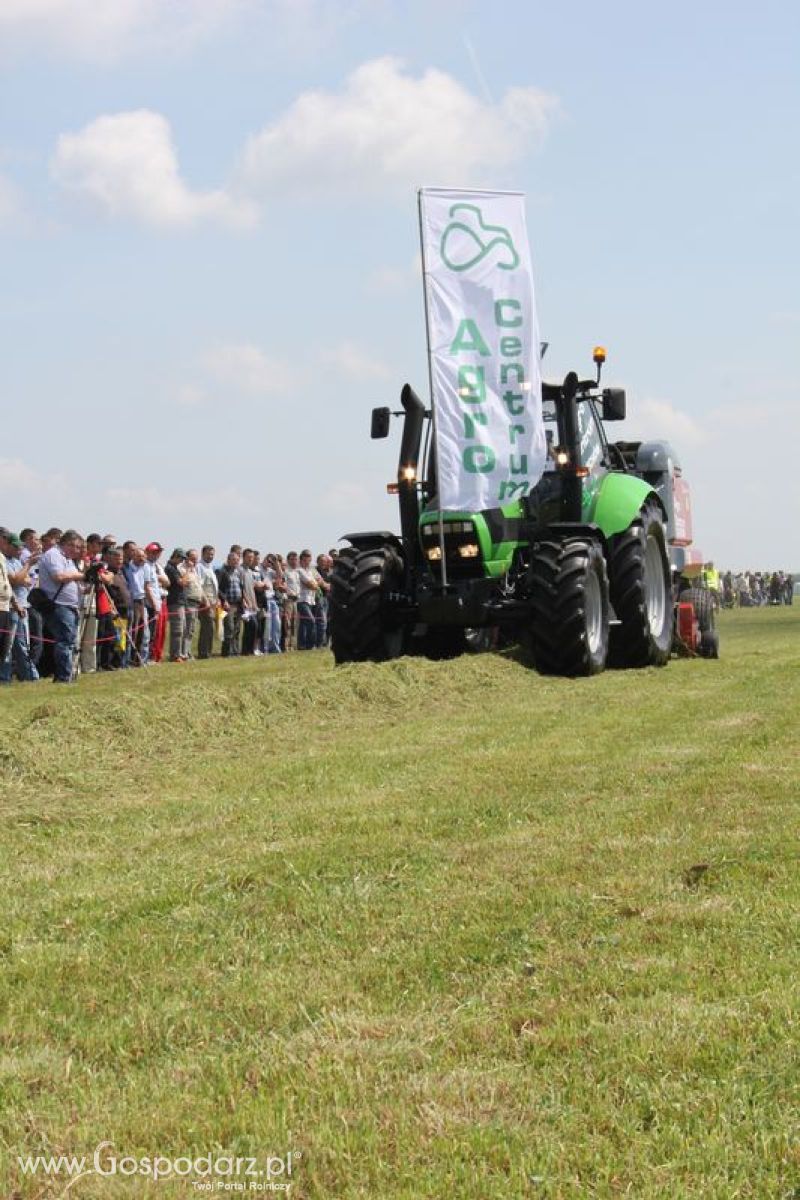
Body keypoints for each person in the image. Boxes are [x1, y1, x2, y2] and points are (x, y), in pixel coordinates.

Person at [37, 529, 87, 683]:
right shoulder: (54, 555)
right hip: (59, 605)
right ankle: (64, 677)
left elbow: (75, 582)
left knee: (70, 641)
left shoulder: (68, 559)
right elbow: (58, 576)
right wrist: (82, 575)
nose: (77, 550)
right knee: (65, 640)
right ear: (66, 543)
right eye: (75, 546)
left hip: (71, 606)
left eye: (79, 548)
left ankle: (66, 674)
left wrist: (87, 582)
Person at [0, 530, 39, 682]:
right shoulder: (6, 560)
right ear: (7, 544)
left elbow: (27, 580)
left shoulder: (16, 561)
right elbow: (15, 580)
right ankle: (4, 677)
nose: (19, 550)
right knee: (7, 646)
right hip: (8, 608)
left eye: (20, 547)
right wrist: (28, 564)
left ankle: (29, 676)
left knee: (22, 645)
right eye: (15, 547)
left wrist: (21, 576)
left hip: (21, 606)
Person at [217, 549, 244, 657]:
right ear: (228, 560)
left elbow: (241, 588)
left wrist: (243, 600)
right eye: (233, 560)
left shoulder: (238, 572)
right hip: (227, 606)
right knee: (229, 628)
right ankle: (226, 652)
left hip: (238, 604)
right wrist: (224, 600)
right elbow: (218, 589)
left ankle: (235, 651)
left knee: (237, 629)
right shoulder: (222, 572)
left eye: (237, 560)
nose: (236, 562)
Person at [165, 549, 189, 662]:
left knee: (182, 629)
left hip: (180, 601)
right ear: (175, 556)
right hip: (175, 602)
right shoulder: (170, 568)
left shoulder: (175, 568)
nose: (182, 561)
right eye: (181, 558)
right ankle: (175, 655)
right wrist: (188, 571)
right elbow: (182, 582)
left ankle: (178, 653)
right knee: (177, 629)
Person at [196, 545, 219, 659]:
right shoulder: (199, 567)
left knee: (210, 628)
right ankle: (204, 653)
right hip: (206, 602)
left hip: (214, 601)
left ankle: (207, 651)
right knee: (207, 627)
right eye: (209, 554)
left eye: (212, 554)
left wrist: (217, 599)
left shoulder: (211, 568)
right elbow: (199, 586)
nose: (211, 556)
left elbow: (214, 586)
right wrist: (205, 601)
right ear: (203, 554)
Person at [296, 550, 320, 651]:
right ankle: (310, 645)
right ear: (301, 560)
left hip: (311, 600)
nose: (307, 562)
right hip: (302, 600)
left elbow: (316, 584)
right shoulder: (299, 570)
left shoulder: (310, 571)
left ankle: (302, 645)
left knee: (303, 624)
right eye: (305, 560)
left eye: (309, 560)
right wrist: (313, 584)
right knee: (311, 621)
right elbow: (312, 584)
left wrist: (313, 584)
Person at [283, 551, 300, 651]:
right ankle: (286, 646)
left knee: (294, 624)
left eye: (295, 559)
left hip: (295, 600)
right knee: (287, 623)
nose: (294, 561)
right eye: (292, 559)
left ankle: (292, 645)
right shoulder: (286, 572)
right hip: (288, 600)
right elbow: (284, 586)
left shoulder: (296, 572)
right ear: (288, 560)